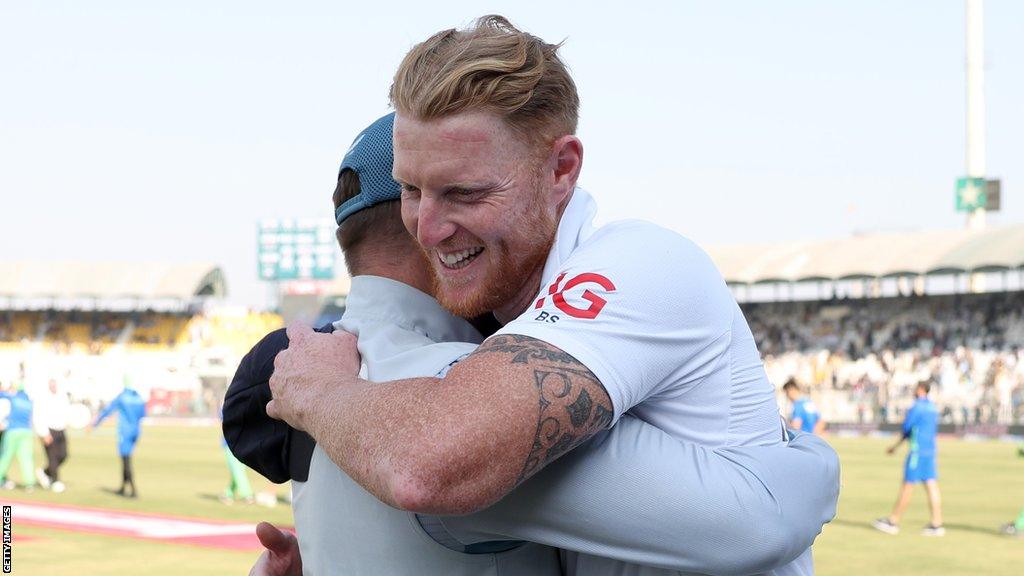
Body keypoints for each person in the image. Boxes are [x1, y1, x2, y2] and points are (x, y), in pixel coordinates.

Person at [267, 15, 836, 575]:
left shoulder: (642, 261)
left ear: (561, 169)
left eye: (464, 193)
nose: (429, 228)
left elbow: (431, 461)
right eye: (412, 189)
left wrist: (315, 390)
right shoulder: (483, 336)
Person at [872, 381, 944, 536]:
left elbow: (907, 428)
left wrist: (895, 446)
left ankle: (893, 521)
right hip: (930, 451)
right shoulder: (932, 407)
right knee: (931, 485)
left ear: (920, 389)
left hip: (917, 451)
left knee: (908, 485)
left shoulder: (917, 406)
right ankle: (937, 523)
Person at [90, 378, 146, 498]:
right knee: (126, 458)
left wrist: (95, 423)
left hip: (125, 432)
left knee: (126, 460)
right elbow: (142, 415)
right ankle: (122, 487)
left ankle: (133, 490)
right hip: (136, 431)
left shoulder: (122, 397)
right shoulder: (139, 398)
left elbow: (108, 411)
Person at [34, 378, 71, 493]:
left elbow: (66, 412)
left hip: (60, 429)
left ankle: (45, 472)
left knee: (64, 455)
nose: (53, 386)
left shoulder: (62, 396)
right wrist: (44, 433)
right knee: (53, 457)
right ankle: (55, 481)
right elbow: (38, 416)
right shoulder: (42, 398)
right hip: (49, 431)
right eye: (51, 384)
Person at [0, 382, 37, 491]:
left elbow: (2, 394)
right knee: (26, 458)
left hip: (13, 431)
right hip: (27, 432)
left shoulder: (13, 397)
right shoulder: (29, 401)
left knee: (5, 456)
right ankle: (30, 483)